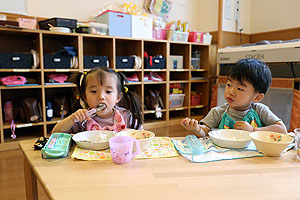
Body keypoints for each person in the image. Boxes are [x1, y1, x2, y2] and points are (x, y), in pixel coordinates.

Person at [181, 58, 287, 137]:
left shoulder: (260, 110)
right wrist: (196, 129)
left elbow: (282, 130)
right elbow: (205, 132)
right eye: (228, 85)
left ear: (257, 98)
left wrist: (253, 130)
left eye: (240, 89)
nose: (231, 92)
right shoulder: (218, 112)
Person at [52, 67, 143, 134]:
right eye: (94, 91)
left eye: (108, 91)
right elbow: (55, 134)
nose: (101, 97)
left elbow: (141, 137)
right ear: (84, 97)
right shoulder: (82, 119)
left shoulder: (126, 116)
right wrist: (72, 118)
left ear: (118, 97)